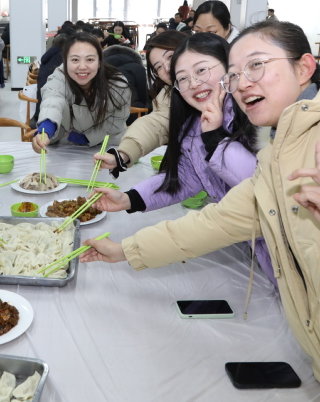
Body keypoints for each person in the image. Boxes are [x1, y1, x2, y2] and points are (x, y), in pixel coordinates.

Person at [81, 21, 320, 401]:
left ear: (304, 67)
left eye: (256, 66)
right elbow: (219, 219)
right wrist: (125, 245)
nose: (242, 83)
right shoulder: (278, 147)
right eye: (236, 74)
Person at [94, 33, 267, 282]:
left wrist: (215, 138)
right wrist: (129, 199)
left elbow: (260, 191)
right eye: (182, 77)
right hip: (259, 245)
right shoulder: (195, 121)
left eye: (201, 70)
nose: (194, 83)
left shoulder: (258, 114)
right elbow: (186, 176)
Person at [100, 31, 189, 175]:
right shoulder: (169, 94)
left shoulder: (222, 85)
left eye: (170, 57)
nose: (167, 68)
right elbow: (155, 124)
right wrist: (123, 155)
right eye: (158, 67)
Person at [32, 32, 131, 152]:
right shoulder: (60, 76)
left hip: (107, 145)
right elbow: (52, 101)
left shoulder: (117, 85)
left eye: (89, 59)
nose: (82, 66)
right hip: (68, 147)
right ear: (66, 61)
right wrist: (46, 129)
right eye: (75, 60)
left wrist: (85, 138)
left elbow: (116, 121)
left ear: (99, 62)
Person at [102, 44, 148, 126]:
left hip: (104, 116)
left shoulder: (100, 68)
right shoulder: (138, 68)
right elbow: (143, 94)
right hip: (133, 115)